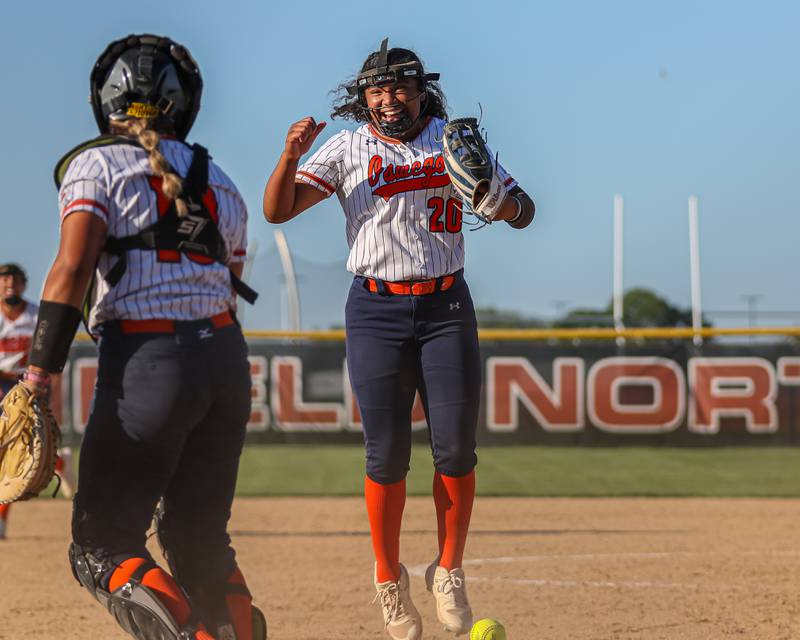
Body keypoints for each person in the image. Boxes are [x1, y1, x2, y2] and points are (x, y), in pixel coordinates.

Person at [263, 39, 535, 640]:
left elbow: (526, 208)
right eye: (376, 90)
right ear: (364, 97)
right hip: (376, 309)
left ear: (421, 90)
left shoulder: (454, 139)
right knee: (385, 453)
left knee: (456, 449)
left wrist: (501, 202)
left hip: (445, 305)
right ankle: (389, 579)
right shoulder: (347, 146)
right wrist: (289, 156)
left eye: (398, 88)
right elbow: (278, 211)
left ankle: (449, 570)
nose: (387, 99)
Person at [19, 34, 264, 639]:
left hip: (150, 361)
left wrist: (35, 377)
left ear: (106, 103)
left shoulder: (96, 165)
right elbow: (228, 283)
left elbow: (72, 270)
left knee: (101, 541)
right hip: (227, 366)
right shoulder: (224, 183)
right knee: (197, 538)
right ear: (184, 104)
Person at [0, 263, 74, 540]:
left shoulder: (35, 316)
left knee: (22, 450)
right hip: (0, 385)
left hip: (28, 387)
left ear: (24, 285)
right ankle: (61, 465)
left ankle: (59, 464)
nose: (9, 285)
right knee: (8, 453)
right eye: (4, 280)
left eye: (15, 280)